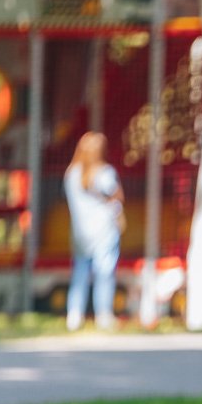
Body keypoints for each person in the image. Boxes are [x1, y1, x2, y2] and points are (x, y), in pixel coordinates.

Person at [63, 132, 124, 331]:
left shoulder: (71, 174)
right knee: (104, 273)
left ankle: (74, 314)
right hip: (104, 231)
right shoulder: (104, 173)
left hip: (80, 233)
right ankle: (103, 314)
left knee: (80, 273)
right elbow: (116, 197)